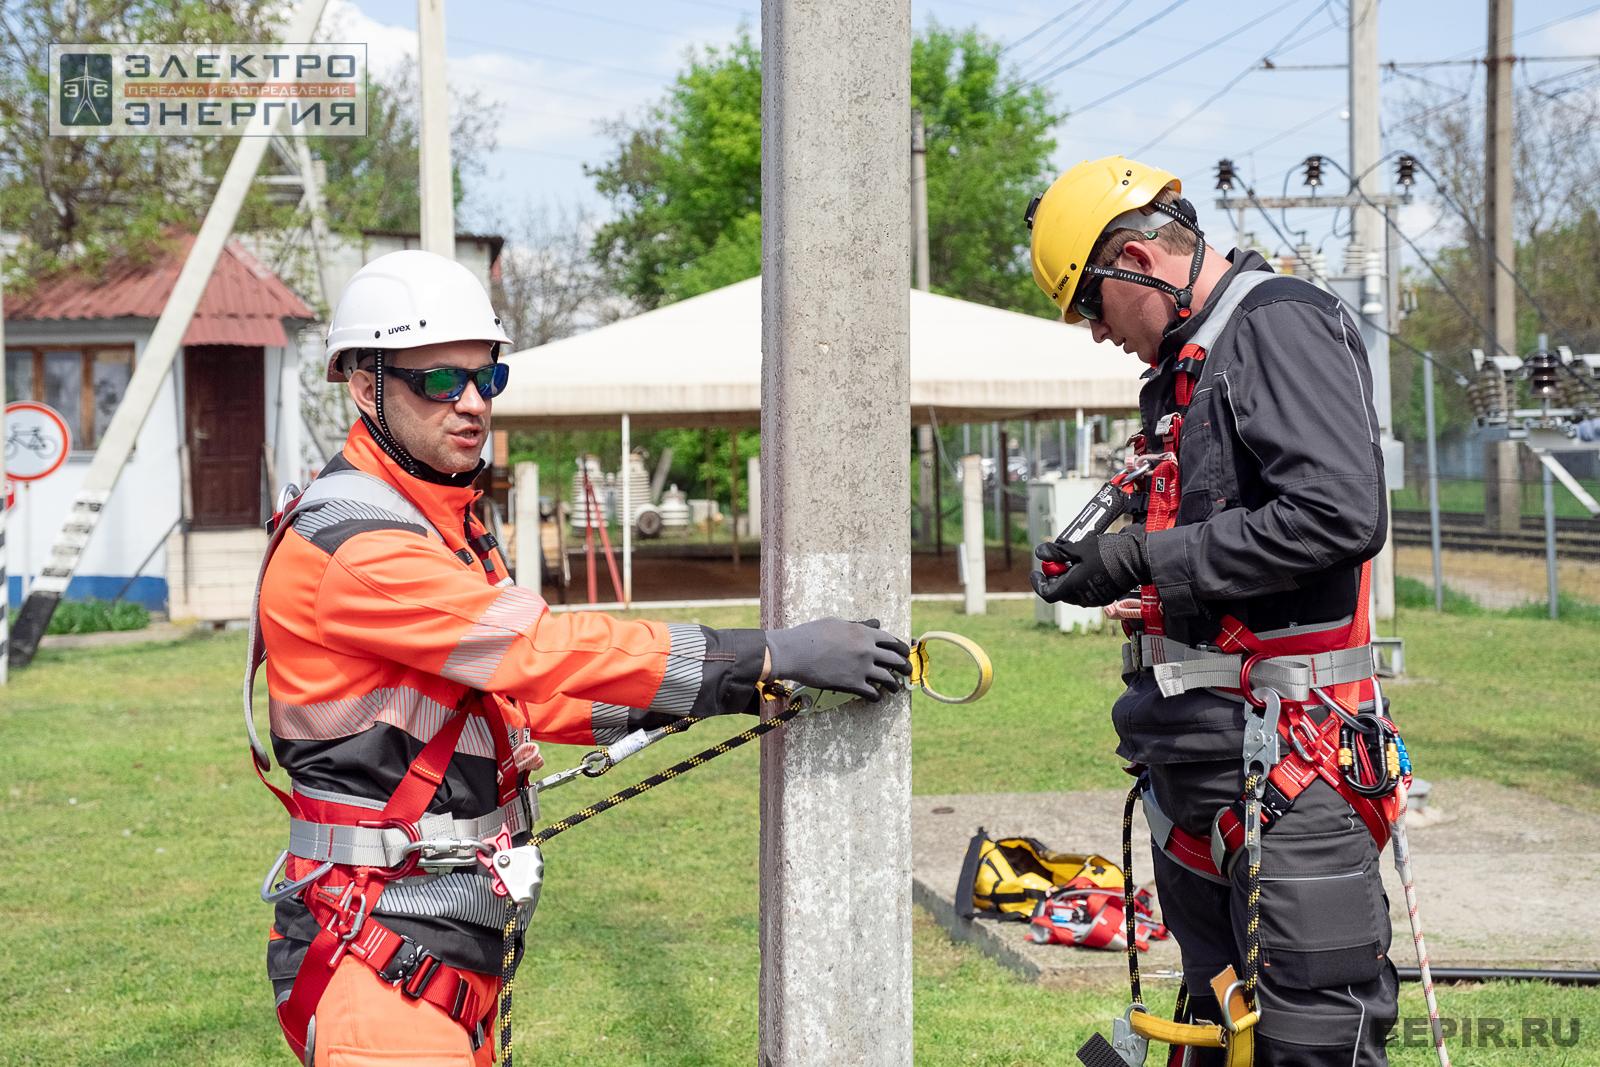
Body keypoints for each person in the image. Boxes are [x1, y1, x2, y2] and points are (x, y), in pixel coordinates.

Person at [252, 249, 910, 1065]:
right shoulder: (358, 541)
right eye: (440, 381)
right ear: (365, 386)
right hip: (378, 956)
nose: (471, 402)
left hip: (424, 939)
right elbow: (540, 652)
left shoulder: (436, 519)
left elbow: (517, 706)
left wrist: (752, 686)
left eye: (487, 378)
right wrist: (768, 649)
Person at [1025, 157, 1396, 1065]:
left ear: (1138, 261)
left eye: (1091, 304)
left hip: (1291, 762)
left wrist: (1143, 558)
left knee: (1310, 1040)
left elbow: (1339, 515)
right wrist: (1122, 570)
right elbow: (1224, 536)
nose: (1095, 331)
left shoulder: (1279, 323)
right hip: (1196, 768)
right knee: (1217, 1029)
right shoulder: (1183, 369)